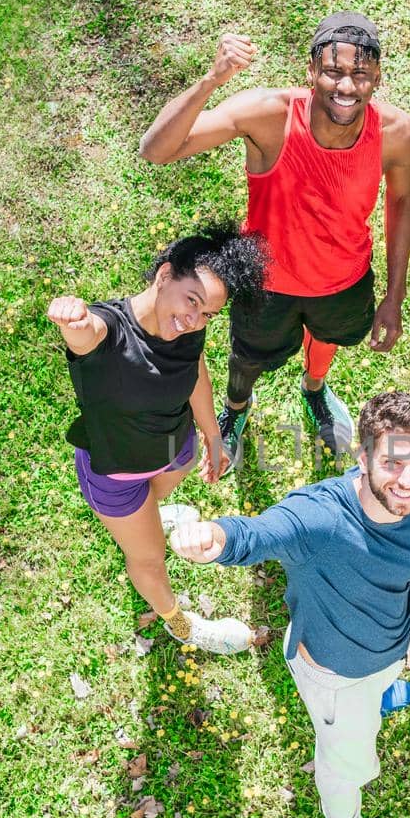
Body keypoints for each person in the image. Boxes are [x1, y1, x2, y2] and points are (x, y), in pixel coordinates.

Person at [169, 392, 410, 818]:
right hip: (335, 675)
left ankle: (379, 695)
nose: (407, 481)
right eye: (392, 463)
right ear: (363, 459)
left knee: (383, 682)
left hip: (391, 646)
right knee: (346, 764)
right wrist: (213, 537)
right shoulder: (319, 520)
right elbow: (257, 534)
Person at [139, 13, 410, 464]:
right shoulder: (268, 116)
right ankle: (235, 408)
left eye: (360, 74)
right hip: (265, 283)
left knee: (326, 341)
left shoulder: (396, 133)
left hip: (344, 280)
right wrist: (213, 78)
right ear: (311, 71)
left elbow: (402, 201)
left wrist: (395, 294)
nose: (346, 87)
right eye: (332, 72)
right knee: (247, 359)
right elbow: (156, 150)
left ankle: (315, 390)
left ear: (377, 78)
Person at [48, 224, 266, 655]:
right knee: (149, 560)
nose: (194, 320)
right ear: (164, 274)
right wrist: (72, 318)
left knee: (168, 484)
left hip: (172, 450)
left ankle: (148, 517)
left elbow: (195, 368)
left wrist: (211, 434)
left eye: (207, 314)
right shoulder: (109, 332)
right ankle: (179, 623)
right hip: (117, 476)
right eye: (192, 301)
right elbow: (86, 332)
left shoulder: (188, 329)